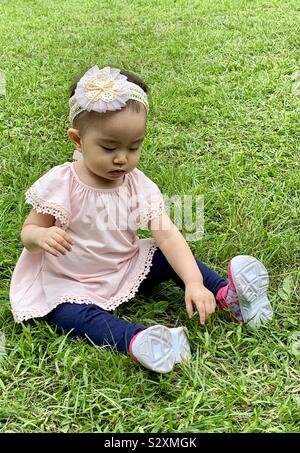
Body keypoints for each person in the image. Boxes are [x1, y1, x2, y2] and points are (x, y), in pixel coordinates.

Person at [9, 65, 273, 373]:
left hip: (123, 266)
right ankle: (138, 340)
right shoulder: (62, 183)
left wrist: (193, 282)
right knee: (66, 315)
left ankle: (227, 296)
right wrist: (40, 237)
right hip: (71, 280)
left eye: (134, 146)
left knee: (163, 254)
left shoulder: (136, 183)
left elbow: (167, 234)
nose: (122, 158)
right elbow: (29, 231)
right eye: (109, 148)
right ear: (77, 140)